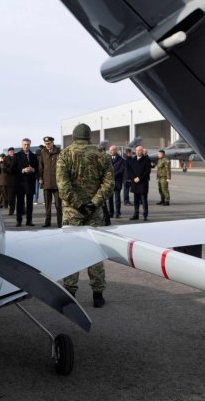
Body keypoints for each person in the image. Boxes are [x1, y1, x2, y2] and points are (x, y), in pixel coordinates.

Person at [57, 123, 113, 308]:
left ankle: (70, 292)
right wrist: (93, 203)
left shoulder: (65, 154)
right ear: (89, 136)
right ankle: (98, 294)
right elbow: (108, 184)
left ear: (74, 136)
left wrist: (79, 204)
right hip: (94, 211)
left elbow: (63, 186)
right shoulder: (101, 154)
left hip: (73, 211)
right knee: (95, 252)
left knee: (70, 251)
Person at [12, 138, 39, 227]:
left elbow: (37, 169)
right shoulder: (17, 155)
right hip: (20, 183)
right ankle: (19, 221)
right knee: (19, 203)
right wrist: (23, 170)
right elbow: (13, 169)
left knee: (29, 203)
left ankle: (29, 221)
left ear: (30, 145)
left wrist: (33, 169)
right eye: (25, 144)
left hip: (30, 183)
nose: (26, 146)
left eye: (28, 144)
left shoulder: (33, 155)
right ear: (22, 145)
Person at [38, 136, 62, 228]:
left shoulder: (59, 152)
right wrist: (40, 178)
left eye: (49, 143)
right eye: (46, 144)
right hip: (47, 182)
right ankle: (47, 222)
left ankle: (60, 223)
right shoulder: (43, 152)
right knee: (47, 205)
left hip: (57, 183)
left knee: (58, 205)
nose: (47, 145)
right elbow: (41, 167)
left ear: (52, 143)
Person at [129, 146, 152, 221]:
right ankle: (136, 214)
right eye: (137, 150)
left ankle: (145, 215)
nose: (138, 152)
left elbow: (147, 171)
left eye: (140, 150)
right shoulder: (133, 159)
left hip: (142, 183)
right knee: (136, 200)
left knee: (144, 200)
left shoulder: (146, 160)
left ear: (142, 151)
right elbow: (130, 170)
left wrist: (139, 178)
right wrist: (134, 178)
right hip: (135, 182)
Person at [106, 145, 126, 220]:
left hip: (117, 181)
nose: (110, 151)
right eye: (110, 150)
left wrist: (112, 175)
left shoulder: (121, 160)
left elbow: (121, 170)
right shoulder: (107, 159)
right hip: (109, 182)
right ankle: (111, 213)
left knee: (117, 199)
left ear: (115, 151)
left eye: (112, 150)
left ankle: (117, 213)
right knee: (109, 199)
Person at [2, 147, 17, 215]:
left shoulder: (17, 157)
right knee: (11, 197)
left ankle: (22, 210)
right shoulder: (6, 158)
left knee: (20, 197)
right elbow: (4, 168)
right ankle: (11, 210)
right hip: (9, 180)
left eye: (12, 151)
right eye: (10, 151)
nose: (11, 152)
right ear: (8, 152)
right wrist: (10, 170)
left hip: (18, 180)